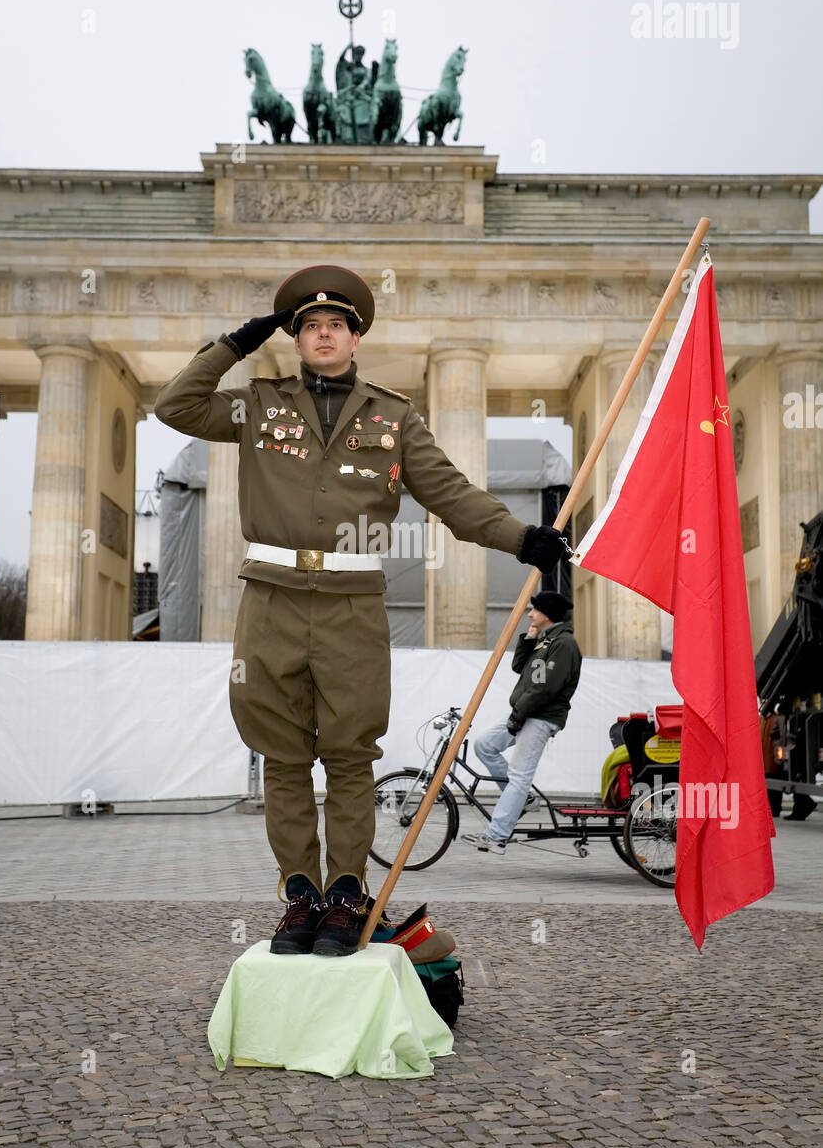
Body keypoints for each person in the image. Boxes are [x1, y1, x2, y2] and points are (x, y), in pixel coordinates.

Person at [154, 265, 571, 955]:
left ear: (355, 338)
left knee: (349, 758)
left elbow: (452, 495)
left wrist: (521, 537)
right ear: (294, 338)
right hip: (271, 599)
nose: (324, 335)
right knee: (283, 756)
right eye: (311, 326)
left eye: (336, 326)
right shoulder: (257, 405)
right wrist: (233, 342)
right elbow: (176, 406)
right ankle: (299, 897)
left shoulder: (394, 416)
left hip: (351, 606)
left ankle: (345, 895)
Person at [468, 590, 581, 854]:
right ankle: (524, 800)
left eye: (534, 610)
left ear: (547, 614)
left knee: (519, 775)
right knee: (484, 745)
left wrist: (518, 716)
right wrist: (529, 637)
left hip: (540, 716)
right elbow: (520, 667)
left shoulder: (563, 645)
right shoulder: (546, 641)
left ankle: (496, 836)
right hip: (526, 711)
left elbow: (545, 689)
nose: (530, 614)